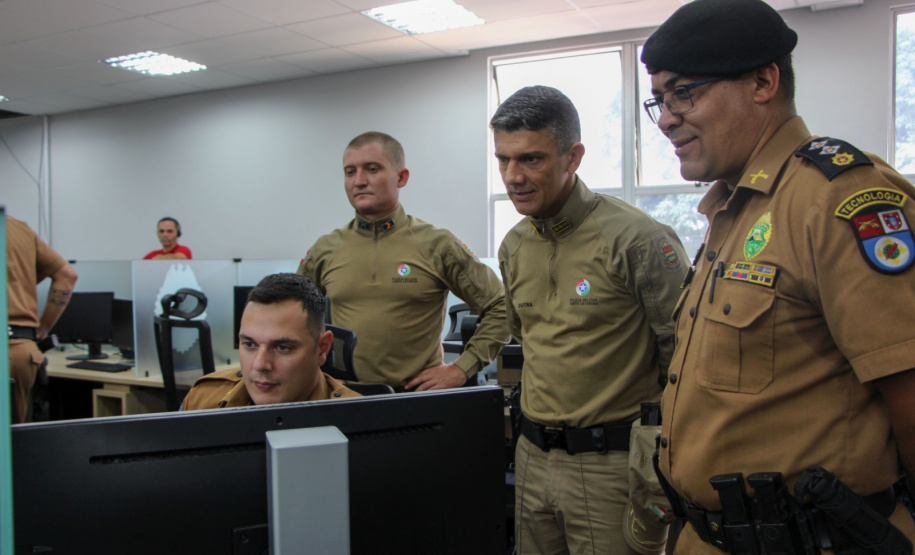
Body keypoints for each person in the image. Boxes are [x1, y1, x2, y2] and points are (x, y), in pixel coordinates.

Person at [640, 0, 915, 552]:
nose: (666, 116)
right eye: (660, 99)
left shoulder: (835, 197)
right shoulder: (733, 209)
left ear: (764, 82)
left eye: (684, 92)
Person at [491, 85, 688, 555]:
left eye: (531, 160)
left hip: (612, 466)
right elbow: (528, 342)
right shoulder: (514, 246)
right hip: (533, 458)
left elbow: (684, 357)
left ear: (572, 156)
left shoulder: (638, 240)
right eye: (503, 160)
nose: (513, 176)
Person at [298, 131, 509, 391]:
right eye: (350, 172)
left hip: (416, 400)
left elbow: (502, 307)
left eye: (372, 169)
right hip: (346, 398)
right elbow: (293, 318)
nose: (359, 181)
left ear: (401, 177)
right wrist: (315, 370)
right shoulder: (325, 249)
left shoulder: (437, 245)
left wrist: (461, 368)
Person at [182, 273, 359, 409]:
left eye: (282, 347)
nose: (260, 364)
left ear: (322, 349)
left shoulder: (360, 420)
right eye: (249, 344)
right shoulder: (202, 400)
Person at [7, 216, 78, 424]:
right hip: (21, 348)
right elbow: (67, 276)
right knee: (14, 443)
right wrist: (41, 330)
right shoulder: (17, 228)